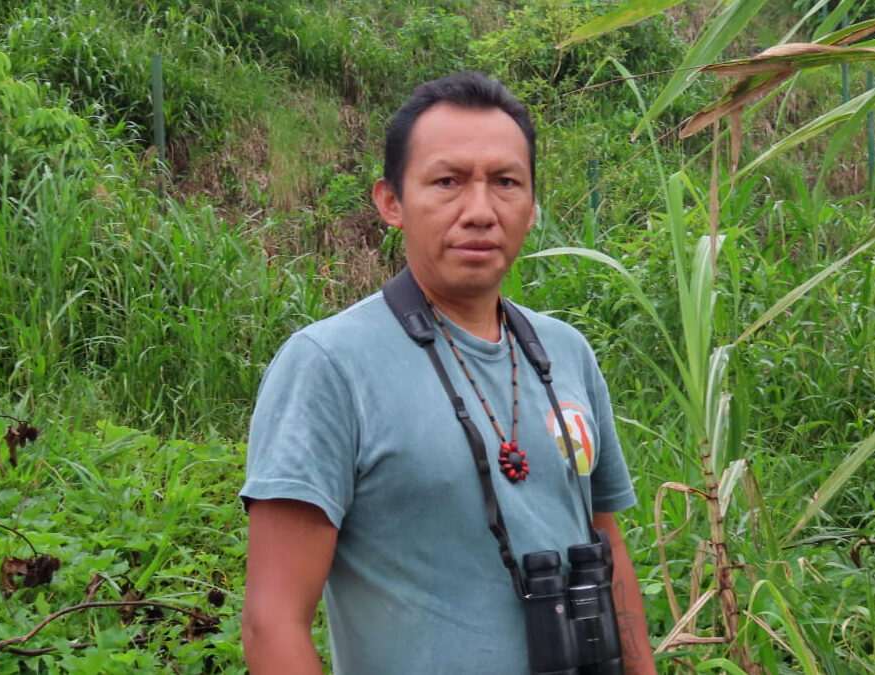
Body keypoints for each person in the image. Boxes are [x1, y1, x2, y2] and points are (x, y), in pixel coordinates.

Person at [240, 71, 655, 675]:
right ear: (391, 202)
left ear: (534, 205)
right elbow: (272, 621)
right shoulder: (329, 367)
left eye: (506, 182)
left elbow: (607, 546)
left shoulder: (566, 353)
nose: (480, 211)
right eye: (448, 182)